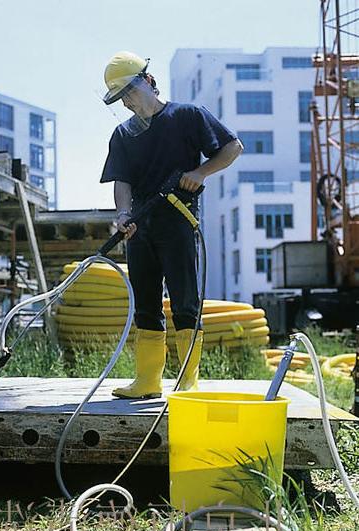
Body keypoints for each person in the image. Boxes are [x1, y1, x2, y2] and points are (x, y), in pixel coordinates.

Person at [100, 51, 243, 399]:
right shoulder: (123, 134)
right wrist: (122, 215)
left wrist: (199, 172)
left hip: (179, 220)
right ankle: (148, 380)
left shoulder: (187, 116)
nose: (130, 102)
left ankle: (188, 380)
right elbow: (122, 182)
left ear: (148, 82)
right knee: (146, 303)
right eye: (122, 99)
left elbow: (232, 147)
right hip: (139, 226)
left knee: (185, 302)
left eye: (131, 92)